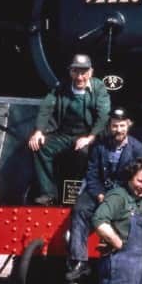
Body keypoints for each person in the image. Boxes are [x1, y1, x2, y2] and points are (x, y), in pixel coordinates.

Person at [65, 107, 142, 280]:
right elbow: (92, 172)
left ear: (128, 125)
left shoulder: (137, 148)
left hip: (123, 193)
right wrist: (99, 193)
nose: (118, 130)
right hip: (99, 189)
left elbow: (140, 177)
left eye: (122, 126)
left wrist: (118, 197)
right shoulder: (99, 146)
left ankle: (125, 258)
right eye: (115, 126)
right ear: (110, 126)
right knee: (80, 209)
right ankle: (79, 261)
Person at [28, 54, 111, 205]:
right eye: (76, 71)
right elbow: (46, 107)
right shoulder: (61, 87)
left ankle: (82, 195)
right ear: (71, 72)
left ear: (90, 72)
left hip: (88, 135)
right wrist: (39, 131)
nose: (80, 77)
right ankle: (48, 194)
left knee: (84, 153)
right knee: (39, 147)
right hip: (65, 134)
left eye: (84, 72)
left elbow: (103, 115)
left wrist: (90, 137)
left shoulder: (98, 87)